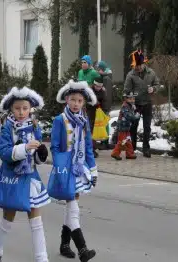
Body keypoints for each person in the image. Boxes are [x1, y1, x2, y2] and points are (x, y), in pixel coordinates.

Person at [0, 87, 50, 262]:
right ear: (11, 109)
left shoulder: (35, 127)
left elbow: (36, 158)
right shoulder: (7, 128)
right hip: (12, 178)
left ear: (31, 109)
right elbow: (4, 152)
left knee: (36, 221)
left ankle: (41, 258)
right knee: (8, 219)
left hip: (30, 178)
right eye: (17, 108)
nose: (21, 112)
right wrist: (24, 148)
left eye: (25, 108)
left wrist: (41, 154)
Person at [51, 80, 97, 262]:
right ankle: (82, 249)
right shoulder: (59, 120)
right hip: (65, 169)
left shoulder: (84, 121)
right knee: (73, 208)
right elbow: (54, 147)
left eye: (79, 101)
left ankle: (64, 244)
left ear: (83, 103)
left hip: (79, 169)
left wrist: (93, 171)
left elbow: (88, 148)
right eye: (73, 100)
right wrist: (60, 167)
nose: (76, 103)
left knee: (71, 208)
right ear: (66, 100)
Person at [124, 49, 160, 158]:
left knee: (147, 127)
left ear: (144, 63)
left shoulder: (151, 73)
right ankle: (132, 148)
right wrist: (131, 98)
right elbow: (126, 90)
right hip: (135, 105)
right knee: (133, 126)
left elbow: (157, 84)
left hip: (147, 103)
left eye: (139, 65)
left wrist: (153, 89)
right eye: (135, 65)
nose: (137, 67)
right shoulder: (130, 75)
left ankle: (146, 149)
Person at [111, 91, 140, 160]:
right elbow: (128, 116)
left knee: (128, 140)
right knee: (122, 141)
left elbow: (132, 114)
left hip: (127, 127)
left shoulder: (131, 106)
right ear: (126, 99)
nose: (132, 100)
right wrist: (135, 116)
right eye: (130, 99)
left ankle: (129, 154)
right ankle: (115, 153)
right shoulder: (125, 106)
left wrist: (135, 111)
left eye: (133, 99)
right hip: (122, 127)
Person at [85, 76, 108, 158]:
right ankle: (91, 149)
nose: (98, 88)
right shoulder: (89, 90)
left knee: (96, 131)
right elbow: (87, 101)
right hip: (90, 113)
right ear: (94, 85)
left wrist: (104, 111)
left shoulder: (103, 91)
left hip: (99, 114)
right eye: (97, 86)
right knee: (91, 131)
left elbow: (105, 102)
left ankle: (93, 148)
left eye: (100, 86)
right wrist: (95, 103)